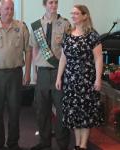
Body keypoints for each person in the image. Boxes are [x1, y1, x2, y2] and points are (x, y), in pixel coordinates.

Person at [0, 0, 31, 150]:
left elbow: (28, 51)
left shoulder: (21, 27)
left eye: (12, 8)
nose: (9, 11)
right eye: (7, 8)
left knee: (15, 111)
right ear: (0, 9)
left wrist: (27, 73)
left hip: (15, 74)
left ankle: (13, 143)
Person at [56, 4, 104, 150]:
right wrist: (58, 77)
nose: (73, 16)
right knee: (74, 114)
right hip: (70, 81)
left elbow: (98, 59)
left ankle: (83, 145)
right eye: (72, 13)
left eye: (76, 13)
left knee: (85, 114)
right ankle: (78, 144)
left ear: (85, 16)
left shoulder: (92, 35)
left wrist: (98, 79)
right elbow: (63, 58)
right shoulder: (68, 34)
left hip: (87, 81)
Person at [29, 0, 71, 150]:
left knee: (61, 109)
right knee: (42, 109)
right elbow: (34, 49)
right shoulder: (36, 25)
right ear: (44, 4)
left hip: (59, 72)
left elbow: (68, 51)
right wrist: (34, 72)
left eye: (55, 3)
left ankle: (62, 143)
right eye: (50, 3)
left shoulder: (65, 24)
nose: (53, 6)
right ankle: (44, 141)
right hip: (42, 73)